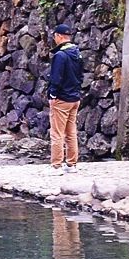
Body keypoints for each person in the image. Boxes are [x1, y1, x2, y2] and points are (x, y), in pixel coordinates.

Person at [46, 22, 83, 170]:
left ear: (59, 36)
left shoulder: (60, 55)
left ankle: (56, 165)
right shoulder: (77, 53)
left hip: (61, 98)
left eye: (55, 36)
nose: (54, 39)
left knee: (57, 133)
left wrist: (52, 95)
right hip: (75, 98)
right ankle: (72, 164)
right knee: (71, 132)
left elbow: (56, 78)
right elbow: (81, 76)